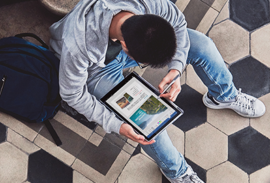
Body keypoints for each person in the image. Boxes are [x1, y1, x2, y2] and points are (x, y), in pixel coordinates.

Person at [49, 0, 266, 182]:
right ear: (126, 49)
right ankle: (177, 172)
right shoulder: (78, 44)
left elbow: (179, 23)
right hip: (96, 69)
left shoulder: (146, 3)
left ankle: (223, 95)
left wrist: (176, 69)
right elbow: (72, 93)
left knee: (202, 45)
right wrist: (116, 125)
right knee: (147, 123)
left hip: (118, 44)